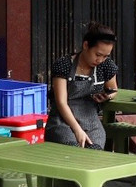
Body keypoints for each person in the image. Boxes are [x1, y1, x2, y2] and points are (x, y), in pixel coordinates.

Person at [46, 22, 119, 151]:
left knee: (94, 152)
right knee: (73, 150)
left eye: (106, 56)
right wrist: (77, 129)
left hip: (91, 120)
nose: (101, 60)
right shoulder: (64, 65)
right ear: (86, 45)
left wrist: (107, 96)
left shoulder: (106, 66)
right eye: (98, 54)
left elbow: (113, 89)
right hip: (62, 121)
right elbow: (61, 102)